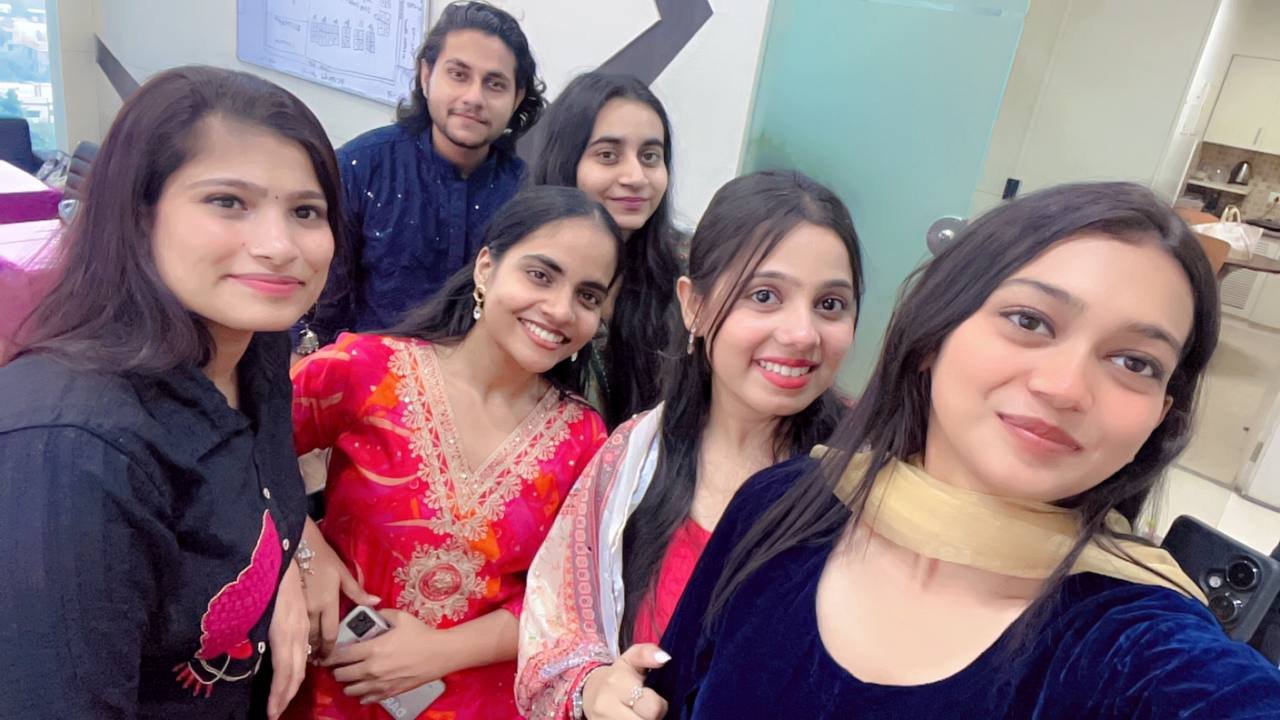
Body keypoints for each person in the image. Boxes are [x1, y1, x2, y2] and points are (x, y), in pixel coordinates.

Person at [648, 182, 1280, 718]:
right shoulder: (779, 506)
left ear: (1160, 415)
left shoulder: (1135, 648)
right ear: (934, 334)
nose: (1064, 387)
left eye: (1134, 362)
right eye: (1030, 321)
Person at [0, 66, 342, 719]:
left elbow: (255, 501)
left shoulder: (256, 346)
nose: (278, 246)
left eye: (305, 211)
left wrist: (284, 573)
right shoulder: (72, 450)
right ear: (139, 215)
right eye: (228, 202)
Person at [517, 170, 865, 720]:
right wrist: (596, 685)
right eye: (764, 295)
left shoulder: (869, 480)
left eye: (830, 304)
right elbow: (555, 627)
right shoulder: (636, 458)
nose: (802, 334)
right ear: (693, 305)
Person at [286, 186, 617, 719]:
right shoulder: (368, 371)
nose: (560, 309)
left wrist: (440, 652)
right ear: (486, 268)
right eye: (540, 275)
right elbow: (240, 451)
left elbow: (572, 600)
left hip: (479, 701)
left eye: (588, 296)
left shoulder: (584, 439)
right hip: (336, 689)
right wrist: (307, 548)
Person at [301, 0, 546, 350]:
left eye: (495, 84)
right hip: (367, 371)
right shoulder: (361, 168)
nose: (474, 97)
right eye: (459, 75)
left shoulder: (526, 196)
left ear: (517, 97)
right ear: (426, 75)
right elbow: (317, 308)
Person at [529, 72, 680, 427]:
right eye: (608, 155)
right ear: (566, 162)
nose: (636, 177)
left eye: (650, 156)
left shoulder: (686, 277)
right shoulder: (521, 266)